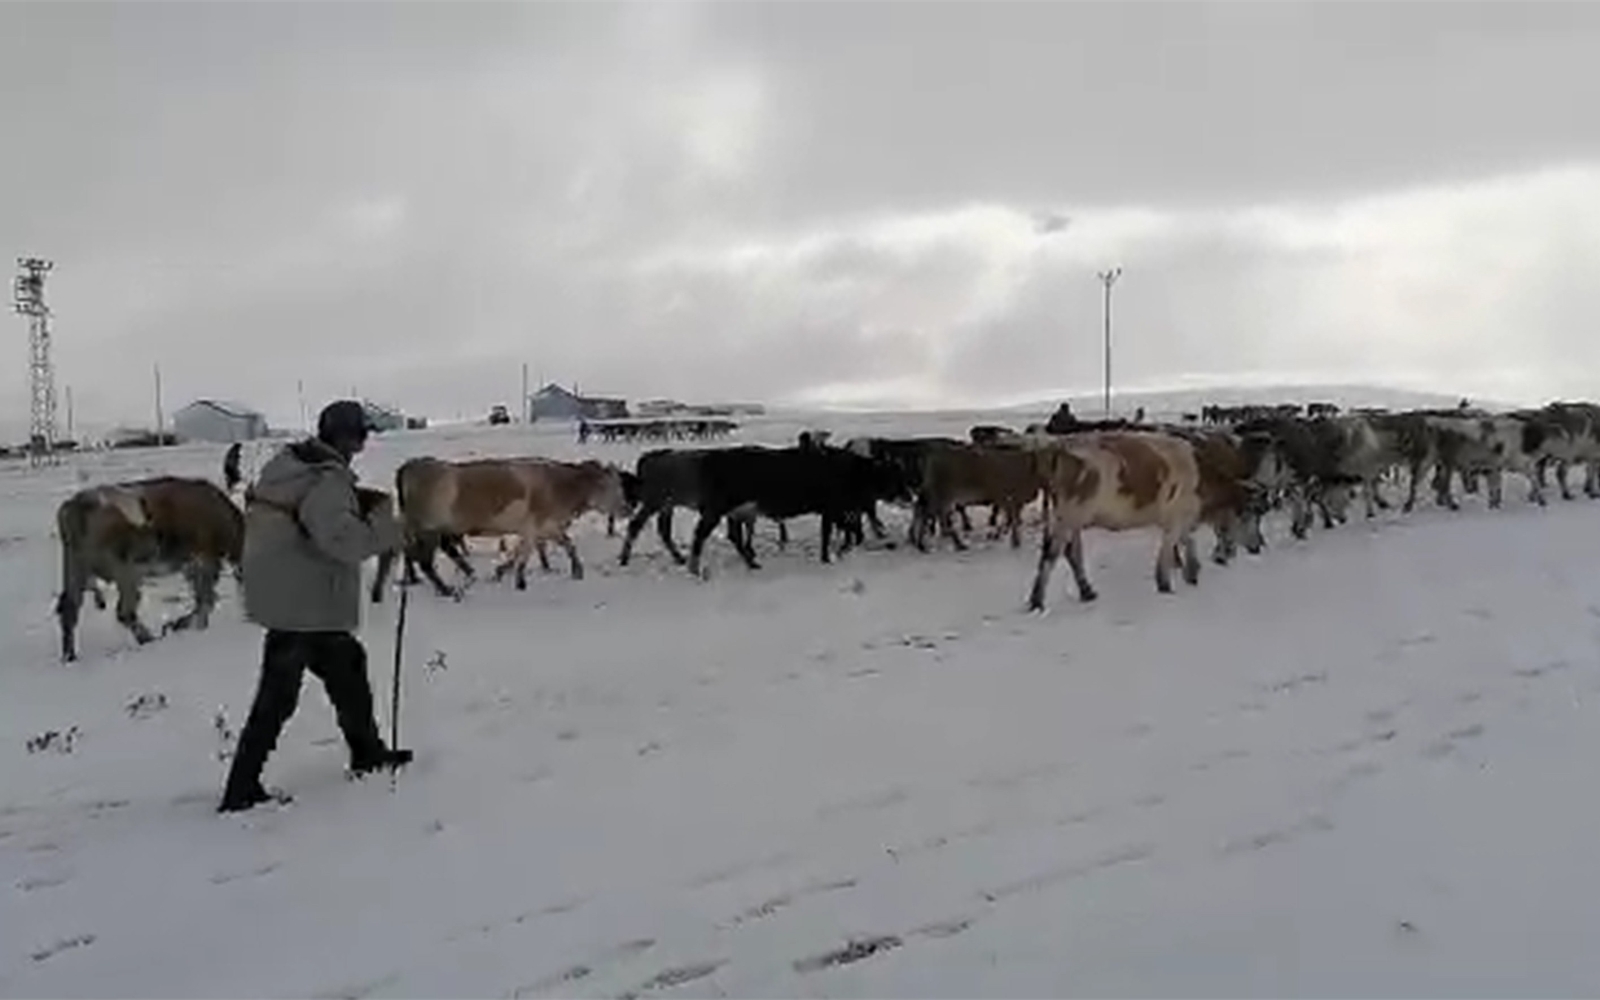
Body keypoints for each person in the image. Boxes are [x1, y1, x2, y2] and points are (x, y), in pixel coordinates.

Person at [218, 399, 410, 813]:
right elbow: (343, 541)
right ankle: (241, 788)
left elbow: (306, 512)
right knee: (278, 695)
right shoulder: (326, 479)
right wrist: (387, 528)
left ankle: (368, 753)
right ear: (347, 437)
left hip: (293, 590)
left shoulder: (292, 464)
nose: (363, 442)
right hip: (300, 598)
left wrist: (355, 500)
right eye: (361, 434)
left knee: (347, 669)